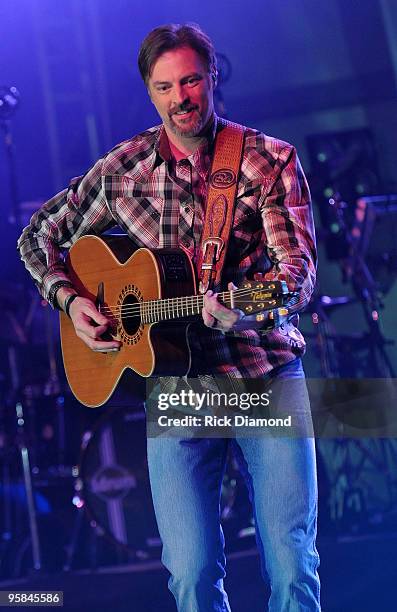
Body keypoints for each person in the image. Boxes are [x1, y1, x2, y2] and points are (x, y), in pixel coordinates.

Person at [18, 23, 320, 611]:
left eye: (190, 81)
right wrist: (72, 301)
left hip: (263, 374)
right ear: (150, 93)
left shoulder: (267, 160)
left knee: (288, 561)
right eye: (165, 87)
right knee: (189, 572)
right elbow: (39, 237)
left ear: (212, 78)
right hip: (178, 387)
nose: (181, 98)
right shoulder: (123, 170)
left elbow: (298, 275)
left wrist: (249, 309)